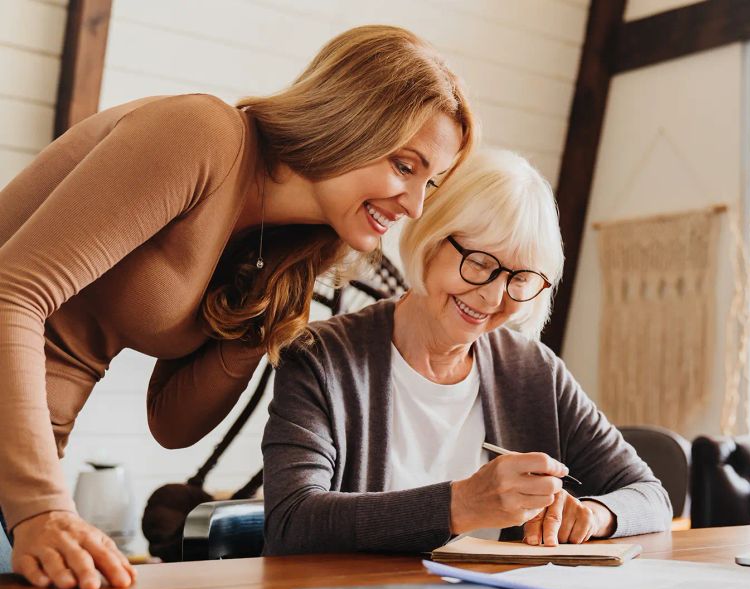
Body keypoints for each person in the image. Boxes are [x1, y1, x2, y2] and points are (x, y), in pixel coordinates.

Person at [0, 25, 475, 589]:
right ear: (349, 123)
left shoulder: (283, 249)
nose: (416, 204)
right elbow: (12, 292)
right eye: (405, 166)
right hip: (26, 488)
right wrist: (42, 508)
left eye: (431, 182)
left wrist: (265, 316)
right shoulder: (204, 134)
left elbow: (172, 424)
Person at [262, 149, 672, 555]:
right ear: (432, 239)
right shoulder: (321, 359)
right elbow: (292, 521)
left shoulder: (533, 372)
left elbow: (651, 496)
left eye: (520, 278)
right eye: (479, 263)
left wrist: (592, 514)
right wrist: (461, 505)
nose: (493, 296)